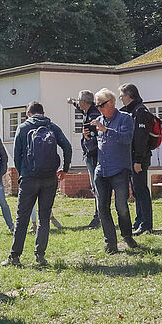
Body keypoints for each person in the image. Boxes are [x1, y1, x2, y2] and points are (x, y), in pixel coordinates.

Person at [2, 101, 72, 268]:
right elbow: (68, 147)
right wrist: (65, 169)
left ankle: (15, 256)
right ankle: (40, 256)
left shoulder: (23, 127)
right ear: (43, 112)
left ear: (28, 113)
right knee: (44, 217)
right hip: (50, 178)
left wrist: (22, 172)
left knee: (22, 218)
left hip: (29, 178)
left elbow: (17, 154)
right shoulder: (52, 127)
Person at [92, 89, 140, 254]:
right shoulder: (98, 120)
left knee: (121, 206)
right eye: (97, 106)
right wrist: (87, 139)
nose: (99, 109)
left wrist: (106, 130)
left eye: (101, 105)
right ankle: (110, 244)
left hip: (119, 169)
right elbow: (94, 147)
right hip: (101, 171)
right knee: (102, 208)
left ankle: (126, 235)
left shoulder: (125, 118)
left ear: (111, 102)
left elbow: (127, 139)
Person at [120, 83, 155, 235]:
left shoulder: (140, 112)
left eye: (122, 96)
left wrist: (138, 161)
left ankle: (146, 224)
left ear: (129, 95)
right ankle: (140, 220)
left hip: (139, 159)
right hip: (133, 158)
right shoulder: (132, 111)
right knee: (136, 190)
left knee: (141, 190)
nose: (121, 98)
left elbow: (140, 139)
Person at [71, 90, 103, 228]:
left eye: (79, 100)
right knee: (97, 187)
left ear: (84, 102)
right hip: (93, 155)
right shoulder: (91, 111)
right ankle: (100, 216)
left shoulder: (93, 116)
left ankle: (99, 217)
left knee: (97, 187)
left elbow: (93, 139)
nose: (78, 103)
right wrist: (72, 102)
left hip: (93, 156)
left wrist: (88, 150)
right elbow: (80, 108)